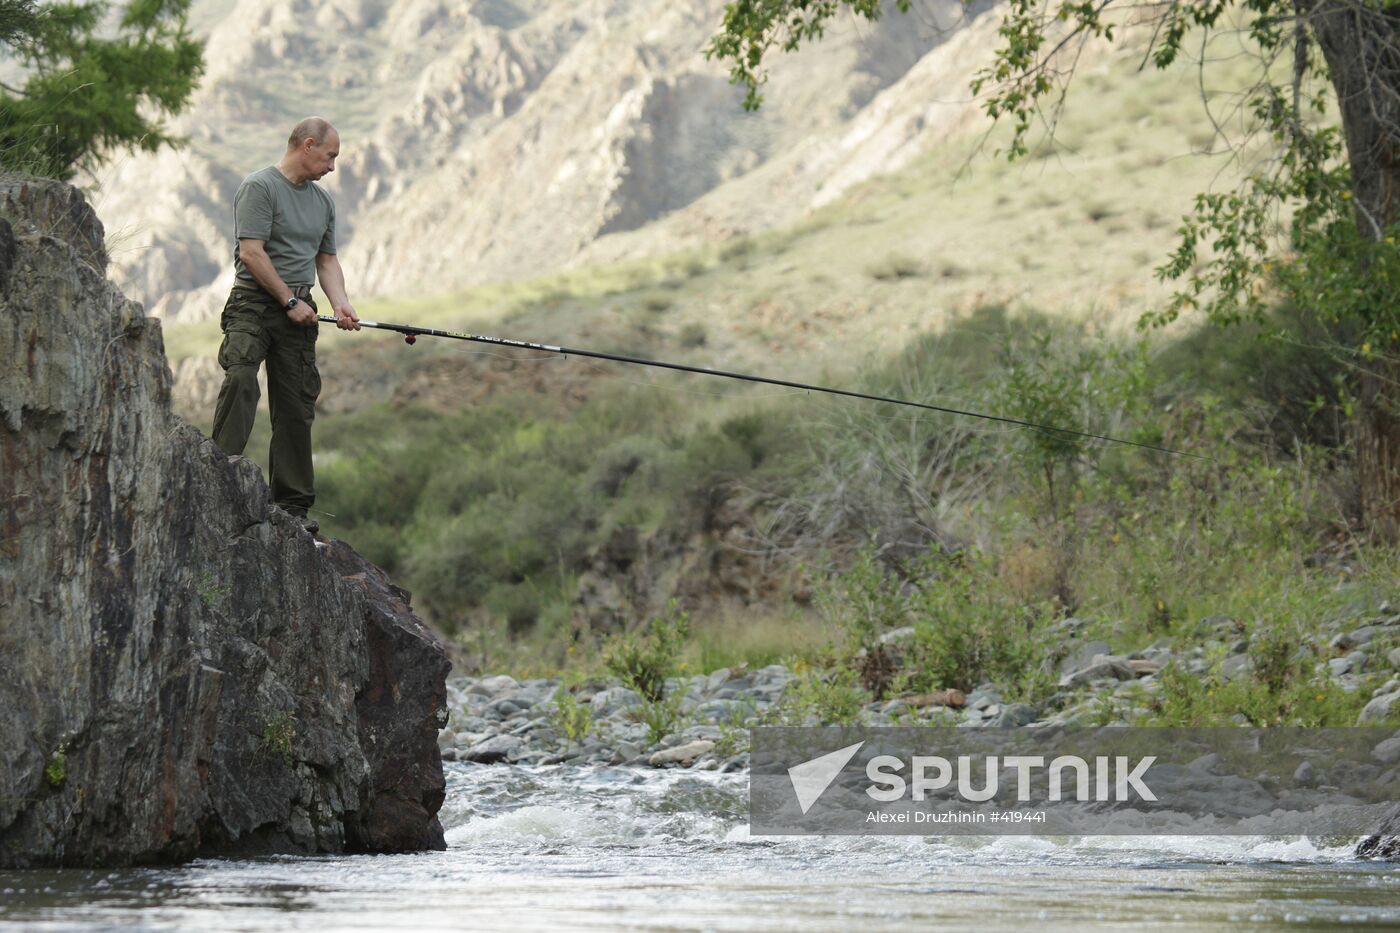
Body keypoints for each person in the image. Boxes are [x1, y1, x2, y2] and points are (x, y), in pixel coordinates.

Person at [211, 116, 360, 535]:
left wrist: (341, 303)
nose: (332, 166)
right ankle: (214, 481)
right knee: (241, 379)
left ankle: (292, 509)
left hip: (300, 308)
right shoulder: (259, 187)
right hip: (253, 303)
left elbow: (326, 261)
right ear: (307, 145)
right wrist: (287, 300)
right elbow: (252, 253)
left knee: (296, 404)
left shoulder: (322, 203)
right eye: (329, 156)